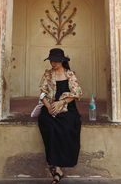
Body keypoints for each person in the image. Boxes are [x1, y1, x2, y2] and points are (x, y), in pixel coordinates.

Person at [38, 48, 82, 184]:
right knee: (49, 126)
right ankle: (57, 168)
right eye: (51, 60)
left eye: (56, 61)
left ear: (62, 61)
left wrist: (61, 102)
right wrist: (49, 107)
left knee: (67, 127)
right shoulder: (47, 74)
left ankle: (61, 164)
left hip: (68, 108)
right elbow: (42, 93)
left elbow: (77, 93)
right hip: (50, 107)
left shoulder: (70, 74)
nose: (53, 63)